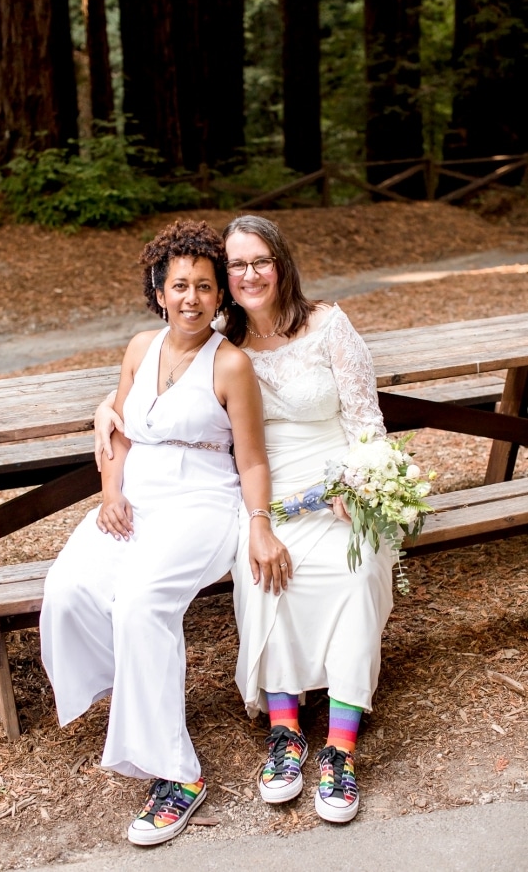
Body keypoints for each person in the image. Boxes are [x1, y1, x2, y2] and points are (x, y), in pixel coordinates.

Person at [94, 214, 394, 825]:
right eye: (236, 265)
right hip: (264, 490)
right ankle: (285, 733)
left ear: (281, 264)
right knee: (259, 569)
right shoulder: (222, 340)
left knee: (351, 571)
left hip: (338, 484)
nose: (249, 273)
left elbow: (369, 424)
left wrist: (361, 482)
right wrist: (105, 407)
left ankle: (340, 745)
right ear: (224, 279)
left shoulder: (329, 326)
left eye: (261, 260)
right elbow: (158, 380)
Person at [40, 219, 290, 847]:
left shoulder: (230, 364)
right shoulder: (137, 348)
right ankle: (133, 691)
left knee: (141, 604)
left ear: (220, 297)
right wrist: (110, 491)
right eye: (179, 285)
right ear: (159, 291)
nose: (191, 299)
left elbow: (253, 459)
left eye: (205, 287)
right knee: (68, 587)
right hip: (136, 495)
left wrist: (258, 524)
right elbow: (119, 430)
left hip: (202, 502)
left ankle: (176, 776)